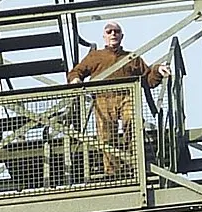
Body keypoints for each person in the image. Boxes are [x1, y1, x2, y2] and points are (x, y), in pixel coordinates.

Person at [69, 21, 166, 171]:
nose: (113, 34)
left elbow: (148, 79)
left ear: (122, 36)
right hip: (102, 99)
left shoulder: (132, 57)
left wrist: (158, 70)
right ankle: (113, 172)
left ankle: (134, 164)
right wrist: (75, 79)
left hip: (126, 96)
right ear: (104, 36)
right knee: (106, 137)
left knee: (132, 122)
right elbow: (77, 71)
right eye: (109, 32)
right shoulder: (95, 56)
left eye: (116, 31)